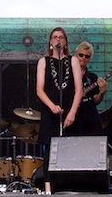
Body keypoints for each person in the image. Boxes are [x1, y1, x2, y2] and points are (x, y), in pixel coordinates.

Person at [36, 27, 82, 193]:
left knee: (70, 146)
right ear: (50, 41)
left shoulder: (73, 61)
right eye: (55, 37)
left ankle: (68, 185)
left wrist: (72, 112)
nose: (58, 40)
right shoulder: (44, 62)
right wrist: (51, 106)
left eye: (61, 37)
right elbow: (39, 89)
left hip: (68, 112)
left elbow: (79, 89)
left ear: (65, 42)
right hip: (50, 111)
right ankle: (48, 187)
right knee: (49, 148)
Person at [74, 41, 107, 136]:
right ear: (75, 56)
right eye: (81, 55)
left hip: (91, 119)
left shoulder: (92, 77)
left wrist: (102, 92)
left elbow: (95, 101)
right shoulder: (68, 76)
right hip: (73, 118)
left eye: (87, 56)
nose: (83, 58)